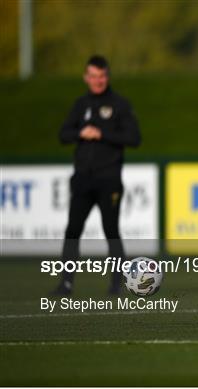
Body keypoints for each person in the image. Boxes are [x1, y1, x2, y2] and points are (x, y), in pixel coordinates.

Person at [53, 55, 141, 295]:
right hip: (82, 178)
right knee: (72, 230)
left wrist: (101, 133)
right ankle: (66, 283)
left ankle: (117, 284)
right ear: (86, 78)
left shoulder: (119, 104)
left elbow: (133, 138)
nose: (97, 80)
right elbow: (63, 134)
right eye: (93, 76)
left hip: (109, 178)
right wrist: (82, 132)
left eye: (101, 76)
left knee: (111, 229)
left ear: (107, 76)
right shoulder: (80, 105)